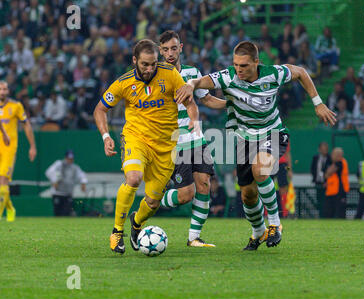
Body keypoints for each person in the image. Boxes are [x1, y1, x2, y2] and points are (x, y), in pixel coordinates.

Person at [176, 41, 336, 250]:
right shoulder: (228, 76)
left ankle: (275, 225)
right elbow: (201, 82)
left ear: (256, 62)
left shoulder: (273, 74)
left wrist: (318, 103)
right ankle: (258, 232)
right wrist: (191, 84)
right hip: (244, 139)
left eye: (244, 66)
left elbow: (301, 73)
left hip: (273, 132)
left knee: (260, 170)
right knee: (248, 195)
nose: (239, 70)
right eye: (236, 65)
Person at [93, 39, 200, 254]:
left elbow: (189, 102)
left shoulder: (169, 74)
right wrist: (105, 136)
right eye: (145, 64)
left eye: (153, 64)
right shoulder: (123, 83)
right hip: (136, 138)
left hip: (166, 146)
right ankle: (116, 232)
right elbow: (99, 109)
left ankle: (136, 222)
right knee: (133, 178)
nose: (150, 69)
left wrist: (194, 119)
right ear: (135, 61)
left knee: (152, 202)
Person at [157, 30, 227, 247]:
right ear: (160, 51)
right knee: (186, 195)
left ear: (181, 47)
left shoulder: (192, 72)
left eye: (173, 48)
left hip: (197, 138)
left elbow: (206, 100)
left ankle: (193, 238)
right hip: (174, 141)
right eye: (165, 49)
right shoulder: (155, 76)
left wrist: (231, 104)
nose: (170, 53)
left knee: (204, 185)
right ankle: (153, 200)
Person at [0, 81, 37, 222]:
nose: (2, 92)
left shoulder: (16, 106)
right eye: (0, 89)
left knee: (3, 179)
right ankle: (10, 208)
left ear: (8, 91)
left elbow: (26, 125)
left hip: (9, 147)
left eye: (4, 89)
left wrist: (32, 146)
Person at [45, 150, 87, 216]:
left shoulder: (75, 167)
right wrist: (54, 181)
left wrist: (83, 183)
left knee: (66, 213)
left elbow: (81, 175)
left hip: (68, 194)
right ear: (66, 157)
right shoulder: (59, 164)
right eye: (68, 158)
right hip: (57, 193)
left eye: (71, 159)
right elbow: (49, 172)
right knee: (58, 213)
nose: (70, 160)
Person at [323, 147, 349, 219]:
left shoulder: (340, 163)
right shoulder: (334, 163)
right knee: (328, 213)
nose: (331, 156)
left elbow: (328, 172)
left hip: (339, 192)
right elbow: (326, 175)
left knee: (339, 214)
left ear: (338, 155)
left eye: (333, 154)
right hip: (331, 192)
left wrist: (328, 173)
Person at [310, 141, 331, 217]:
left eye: (325, 149)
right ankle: (320, 215)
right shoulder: (315, 157)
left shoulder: (330, 158)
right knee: (319, 200)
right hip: (318, 182)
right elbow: (312, 169)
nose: (324, 151)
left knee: (326, 201)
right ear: (319, 149)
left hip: (326, 184)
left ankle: (326, 216)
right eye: (322, 149)